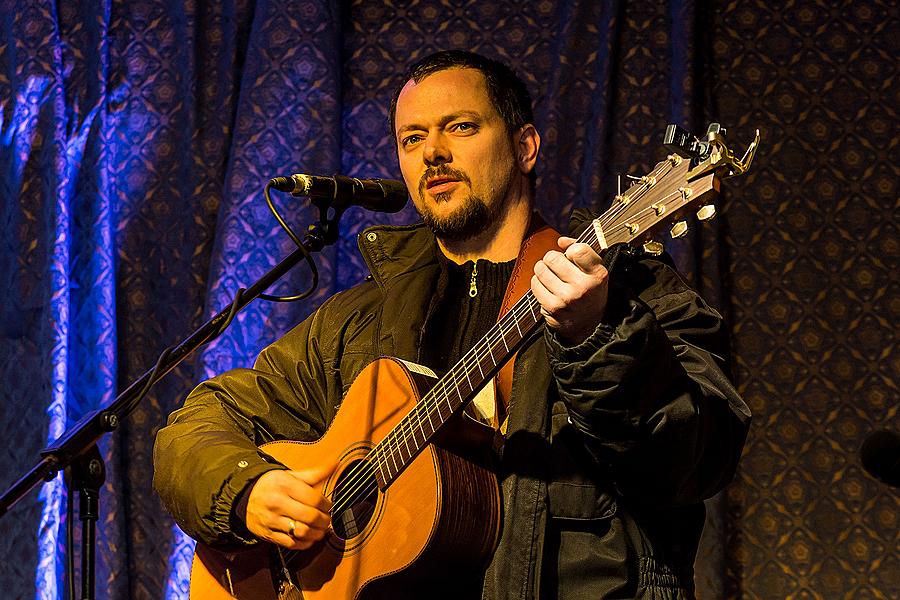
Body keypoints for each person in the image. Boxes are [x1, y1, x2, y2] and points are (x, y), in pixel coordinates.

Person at [154, 50, 750, 599]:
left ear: (525, 148)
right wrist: (245, 489)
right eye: (412, 138)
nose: (432, 152)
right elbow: (196, 426)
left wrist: (600, 336)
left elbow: (700, 456)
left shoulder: (630, 289)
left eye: (460, 127)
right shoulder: (357, 321)